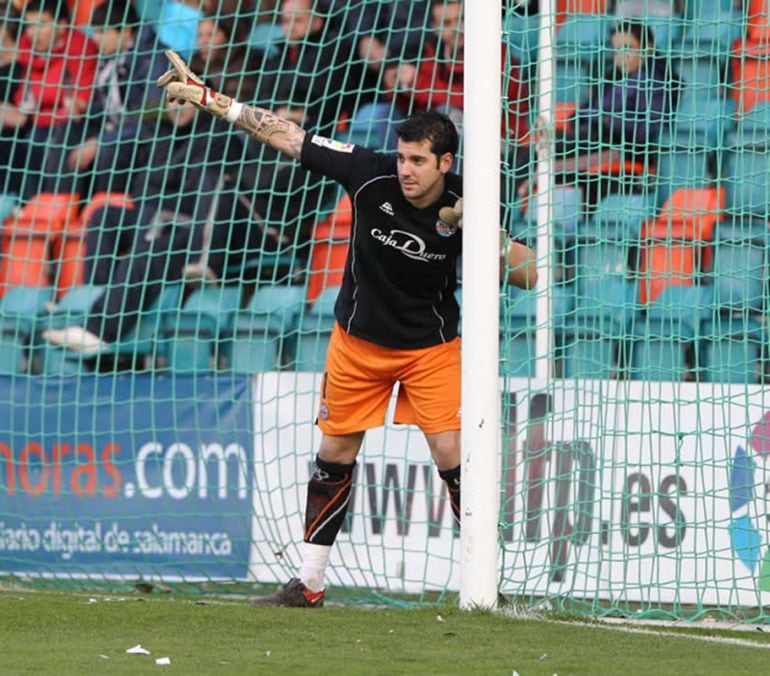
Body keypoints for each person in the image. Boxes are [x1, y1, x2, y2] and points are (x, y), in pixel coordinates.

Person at [153, 50, 538, 607]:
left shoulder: (470, 203)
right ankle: (309, 584)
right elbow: (287, 135)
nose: (406, 169)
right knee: (334, 454)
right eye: (403, 157)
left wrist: (487, 234)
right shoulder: (368, 172)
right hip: (357, 343)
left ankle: (484, 584)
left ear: (445, 163)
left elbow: (529, 274)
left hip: (431, 348)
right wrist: (212, 98)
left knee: (454, 456)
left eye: (418, 161)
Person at [41, 96, 244, 353]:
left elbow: (204, 199)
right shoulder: (162, 134)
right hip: (152, 218)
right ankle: (98, 294)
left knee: (149, 243)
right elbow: (144, 186)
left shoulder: (217, 139)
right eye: (171, 100)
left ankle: (98, 330)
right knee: (106, 216)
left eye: (185, 100)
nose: (176, 107)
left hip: (187, 231)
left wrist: (157, 209)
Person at [517, 18, 679, 206]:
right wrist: (594, 119)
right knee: (523, 154)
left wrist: (607, 121)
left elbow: (648, 129)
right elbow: (582, 113)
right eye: (617, 49)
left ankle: (510, 211)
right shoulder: (612, 77)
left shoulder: (657, 82)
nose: (621, 56)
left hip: (618, 149)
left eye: (628, 48)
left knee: (536, 161)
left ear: (648, 48)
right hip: (589, 138)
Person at [8, 0, 98, 199]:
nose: (33, 32)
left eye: (41, 24)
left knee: (52, 143)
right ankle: (19, 208)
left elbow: (82, 102)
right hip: (36, 123)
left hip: (68, 125)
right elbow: (24, 98)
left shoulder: (80, 48)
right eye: (29, 25)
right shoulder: (27, 48)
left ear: (62, 25)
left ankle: (52, 211)